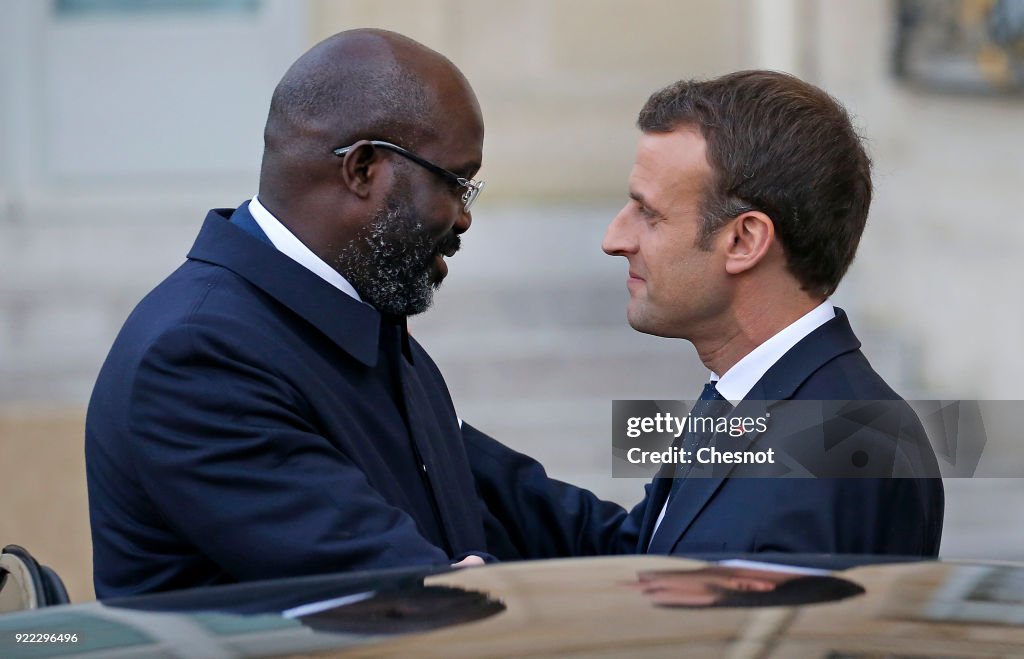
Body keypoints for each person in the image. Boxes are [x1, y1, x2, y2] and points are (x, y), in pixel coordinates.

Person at [85, 29, 507, 598]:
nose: (463, 218)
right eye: (456, 184)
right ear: (362, 170)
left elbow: (541, 511)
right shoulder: (198, 358)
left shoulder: (357, 327)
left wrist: (672, 438)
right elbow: (410, 597)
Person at [465, 71, 944, 559]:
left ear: (743, 241)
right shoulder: (751, 393)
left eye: (648, 214)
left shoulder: (846, 442)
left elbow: (732, 632)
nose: (614, 239)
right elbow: (643, 555)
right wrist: (428, 430)